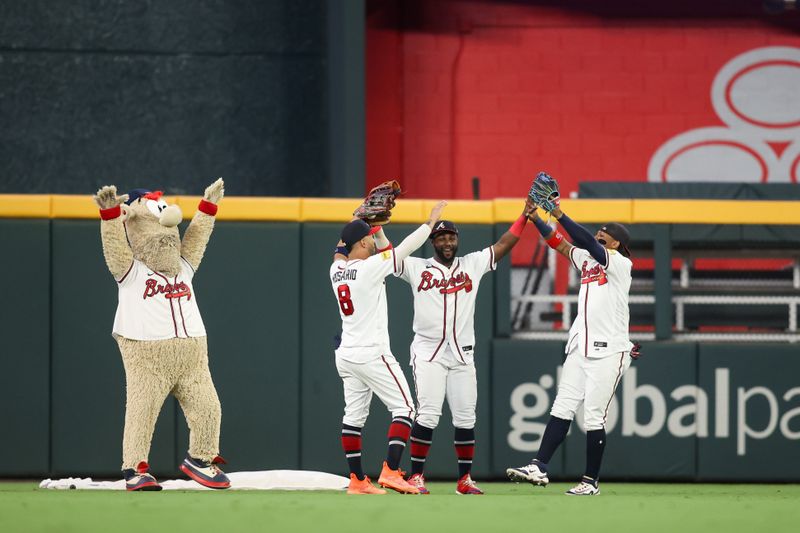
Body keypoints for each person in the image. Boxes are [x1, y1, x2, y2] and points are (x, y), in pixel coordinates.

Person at [392, 199, 535, 495]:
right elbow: (390, 257)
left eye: (451, 237)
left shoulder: (471, 263)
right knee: (428, 414)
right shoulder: (416, 267)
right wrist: (379, 229)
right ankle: (417, 476)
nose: (447, 242)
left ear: (457, 240)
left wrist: (524, 217)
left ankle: (464, 480)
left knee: (466, 417)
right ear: (432, 242)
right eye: (441, 237)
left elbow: (504, 244)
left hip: (462, 354)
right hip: (428, 352)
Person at [506, 201, 638, 496]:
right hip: (581, 347)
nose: (600, 233)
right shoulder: (589, 261)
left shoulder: (619, 263)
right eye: (599, 230)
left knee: (593, 416)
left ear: (617, 243)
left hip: (610, 351)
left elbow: (586, 241)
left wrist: (559, 213)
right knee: (561, 407)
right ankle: (539, 466)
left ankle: (590, 482)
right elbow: (560, 244)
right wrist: (536, 218)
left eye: (607, 232)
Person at [330, 201, 447, 495]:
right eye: (368, 239)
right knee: (405, 409)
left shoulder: (336, 270)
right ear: (362, 242)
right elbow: (405, 247)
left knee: (353, 418)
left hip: (346, 355)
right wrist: (430, 222)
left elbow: (339, 250)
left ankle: (357, 480)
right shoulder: (369, 269)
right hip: (372, 352)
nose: (372, 243)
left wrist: (359, 220)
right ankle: (391, 471)